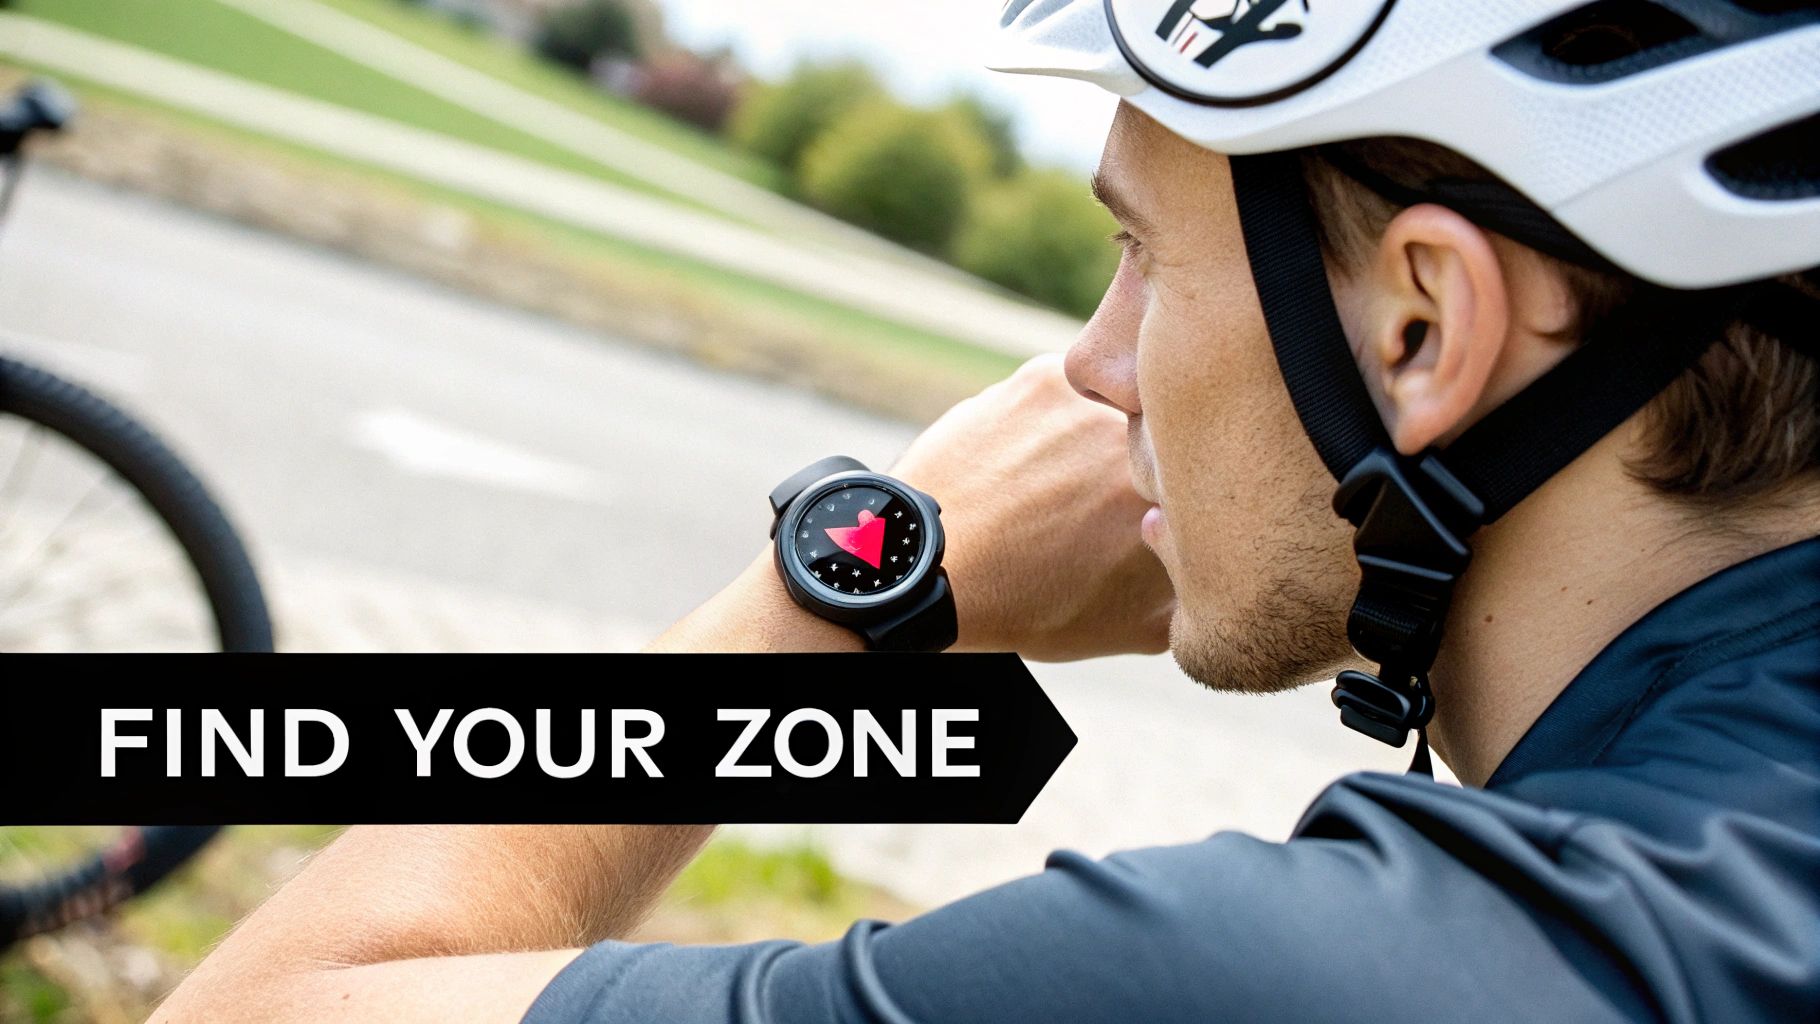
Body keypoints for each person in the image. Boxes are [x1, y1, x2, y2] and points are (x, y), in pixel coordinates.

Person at [153, 1, 1818, 1021]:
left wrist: (844, 592)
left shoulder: (1333, 973)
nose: (1091, 371)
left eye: (1140, 256)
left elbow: (268, 1011)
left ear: (1419, 330)